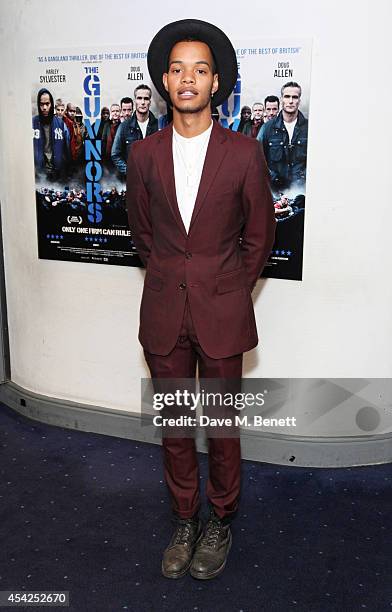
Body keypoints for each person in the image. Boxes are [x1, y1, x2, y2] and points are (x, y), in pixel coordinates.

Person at [127, 19, 276, 581]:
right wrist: (173, 274)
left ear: (217, 83)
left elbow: (259, 238)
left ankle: (221, 519)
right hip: (164, 310)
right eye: (177, 68)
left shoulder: (243, 154)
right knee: (173, 425)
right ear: (165, 80)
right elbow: (144, 236)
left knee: (220, 424)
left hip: (222, 311)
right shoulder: (141, 155)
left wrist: (228, 286)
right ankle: (184, 519)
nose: (188, 78)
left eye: (201, 69)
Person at [260, 81, 308, 191]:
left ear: (299, 101)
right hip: (275, 194)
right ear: (281, 99)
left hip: (302, 193)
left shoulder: (309, 128)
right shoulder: (267, 128)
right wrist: (274, 178)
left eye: (295, 97)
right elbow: (258, 160)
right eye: (287, 97)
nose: (291, 101)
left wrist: (303, 179)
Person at [111, 85, 158, 177]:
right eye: (139, 98)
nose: (143, 102)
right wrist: (130, 172)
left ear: (150, 102)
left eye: (146, 99)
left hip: (154, 181)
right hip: (133, 182)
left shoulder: (158, 125)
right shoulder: (124, 127)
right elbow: (115, 154)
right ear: (135, 101)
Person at [32, 88, 68, 180]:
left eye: (47, 104)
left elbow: (67, 149)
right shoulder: (32, 123)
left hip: (58, 172)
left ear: (51, 104)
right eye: (41, 104)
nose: (44, 108)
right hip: (39, 173)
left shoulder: (60, 124)